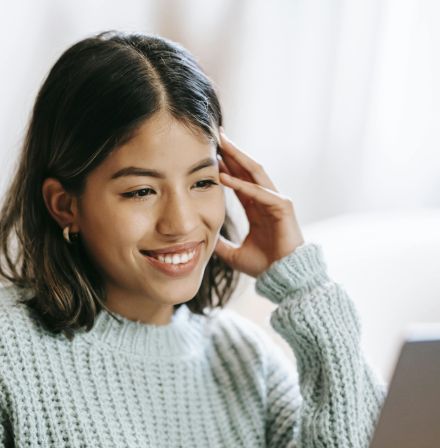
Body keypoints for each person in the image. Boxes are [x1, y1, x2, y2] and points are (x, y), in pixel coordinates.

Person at [0, 30, 386, 447]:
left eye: (203, 182)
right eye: (141, 191)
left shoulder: (246, 362)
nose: (181, 223)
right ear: (65, 205)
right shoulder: (10, 349)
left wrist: (304, 284)